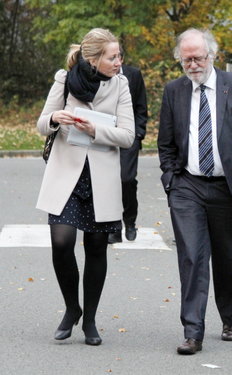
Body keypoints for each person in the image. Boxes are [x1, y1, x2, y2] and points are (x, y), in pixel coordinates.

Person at [157, 28, 232, 355]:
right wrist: (171, 180)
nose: (192, 64)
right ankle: (193, 331)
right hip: (187, 186)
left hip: (228, 188)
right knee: (192, 257)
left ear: (212, 56)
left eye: (198, 57)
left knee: (228, 259)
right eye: (186, 59)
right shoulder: (173, 92)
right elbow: (165, 144)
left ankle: (230, 317)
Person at [36, 28, 134, 346]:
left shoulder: (121, 85)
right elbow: (41, 124)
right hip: (66, 174)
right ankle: (71, 308)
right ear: (93, 59)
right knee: (62, 242)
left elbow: (128, 135)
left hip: (101, 178)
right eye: (112, 56)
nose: (119, 61)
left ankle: (90, 319)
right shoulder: (65, 80)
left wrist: (96, 130)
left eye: (119, 55)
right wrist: (55, 118)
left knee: (95, 248)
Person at [108, 49, 148, 244]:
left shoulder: (133, 75)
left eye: (117, 58)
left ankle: (130, 221)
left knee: (127, 179)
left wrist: (139, 133)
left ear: (122, 59)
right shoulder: (101, 74)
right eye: (111, 58)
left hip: (129, 136)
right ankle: (114, 227)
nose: (115, 62)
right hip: (105, 136)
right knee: (110, 182)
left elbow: (141, 106)